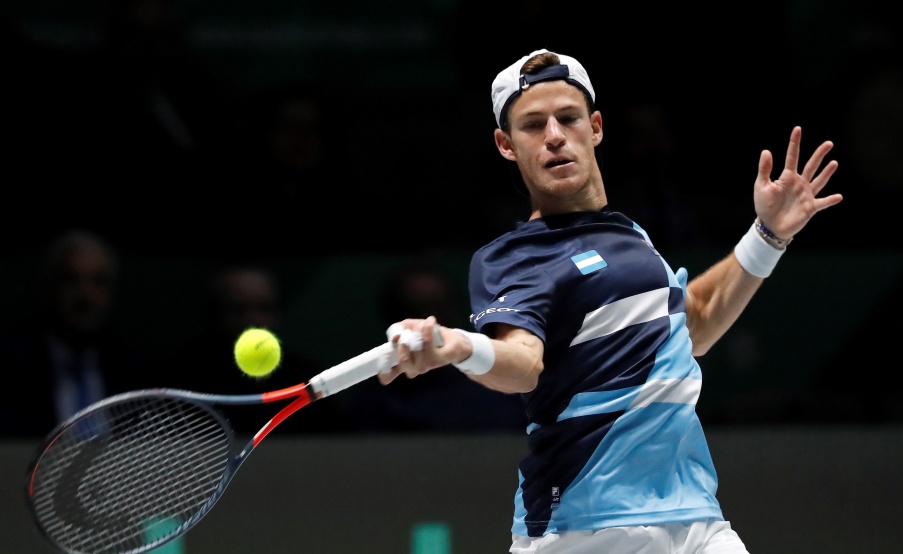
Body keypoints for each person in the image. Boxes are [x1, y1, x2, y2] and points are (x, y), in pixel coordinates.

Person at [379, 49, 842, 553]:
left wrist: (768, 234)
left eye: (568, 118)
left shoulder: (630, 235)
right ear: (506, 144)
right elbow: (521, 365)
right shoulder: (513, 257)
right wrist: (458, 347)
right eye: (533, 125)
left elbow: (697, 323)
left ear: (595, 127)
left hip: (697, 520)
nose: (554, 134)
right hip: (583, 527)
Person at [0, 229, 156, 438]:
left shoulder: (133, 370)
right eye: (71, 280)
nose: (85, 295)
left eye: (98, 281)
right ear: (50, 287)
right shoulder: (11, 367)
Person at [167, 263, 353, 434]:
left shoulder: (306, 377)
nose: (253, 319)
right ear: (213, 315)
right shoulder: (182, 378)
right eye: (239, 309)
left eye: (264, 308)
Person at [345, 256, 526, 432]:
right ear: (393, 317)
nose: (429, 323)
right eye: (417, 308)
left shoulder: (499, 389)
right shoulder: (375, 404)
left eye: (439, 306)